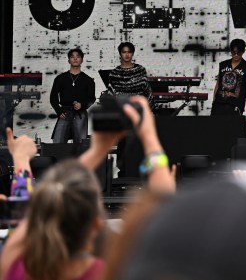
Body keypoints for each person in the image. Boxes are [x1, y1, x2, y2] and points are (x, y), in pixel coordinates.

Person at [0, 137, 102, 280]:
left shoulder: (15, 266)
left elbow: (25, 218)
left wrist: (21, 158)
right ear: (96, 224)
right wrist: (100, 150)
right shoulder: (109, 271)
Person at [107, 42, 152, 175]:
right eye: (124, 52)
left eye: (129, 52)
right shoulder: (114, 73)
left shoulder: (140, 70)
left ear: (132, 53)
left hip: (138, 112)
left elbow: (147, 91)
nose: (126, 55)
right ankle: (123, 174)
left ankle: (140, 173)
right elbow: (111, 95)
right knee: (123, 143)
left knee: (139, 143)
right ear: (120, 54)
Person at [50, 47, 96, 144]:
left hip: (80, 113)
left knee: (80, 143)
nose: (75, 59)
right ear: (68, 60)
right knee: (58, 142)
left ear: (82, 60)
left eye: (78, 57)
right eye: (72, 57)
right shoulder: (60, 78)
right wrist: (58, 111)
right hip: (65, 111)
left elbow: (92, 98)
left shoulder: (88, 80)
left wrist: (82, 105)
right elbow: (53, 97)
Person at [211, 38, 246, 121]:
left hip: (235, 106)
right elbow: (218, 84)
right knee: (215, 131)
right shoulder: (223, 65)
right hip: (219, 105)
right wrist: (214, 102)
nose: (236, 55)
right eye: (233, 52)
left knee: (232, 132)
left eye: (238, 53)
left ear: (243, 51)